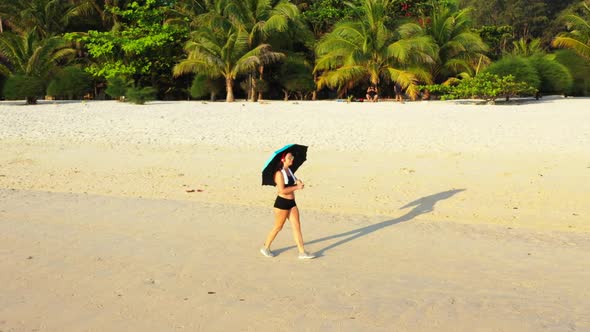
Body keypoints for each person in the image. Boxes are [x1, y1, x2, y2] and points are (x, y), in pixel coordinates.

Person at [260, 152, 315, 259]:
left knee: (297, 227)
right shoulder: (279, 174)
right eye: (289, 158)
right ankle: (266, 247)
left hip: (292, 203)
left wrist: (298, 182)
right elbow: (282, 190)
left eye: (292, 157)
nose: (292, 159)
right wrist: (297, 187)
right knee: (278, 227)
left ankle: (302, 252)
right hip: (281, 204)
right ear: (283, 160)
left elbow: (292, 183)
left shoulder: (289, 171)